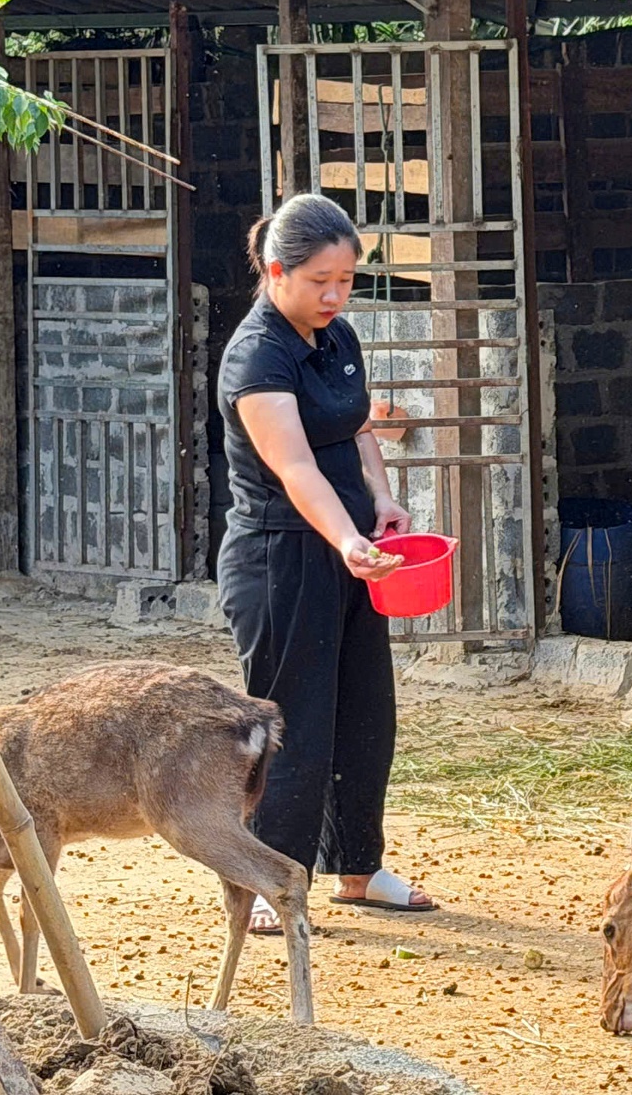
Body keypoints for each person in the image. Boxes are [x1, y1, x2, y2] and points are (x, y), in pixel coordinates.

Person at [216, 192, 437, 932]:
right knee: (292, 723)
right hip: (283, 557)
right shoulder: (258, 355)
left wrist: (381, 502)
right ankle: (269, 876)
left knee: (366, 711)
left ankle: (358, 866)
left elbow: (355, 427)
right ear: (277, 272)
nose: (336, 295)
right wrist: (347, 540)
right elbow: (297, 466)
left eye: (346, 280)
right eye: (321, 281)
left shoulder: (336, 338)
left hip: (351, 551)